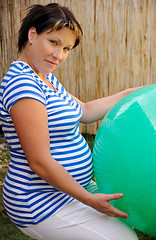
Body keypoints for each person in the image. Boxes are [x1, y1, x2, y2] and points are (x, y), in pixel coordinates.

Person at [0, 3, 139, 240]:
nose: (59, 55)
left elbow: (84, 110)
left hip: (73, 190)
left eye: (66, 48)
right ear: (32, 35)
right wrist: (88, 200)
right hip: (40, 201)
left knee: (128, 220)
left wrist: (132, 93)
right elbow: (39, 162)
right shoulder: (23, 85)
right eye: (53, 42)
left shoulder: (45, 78)